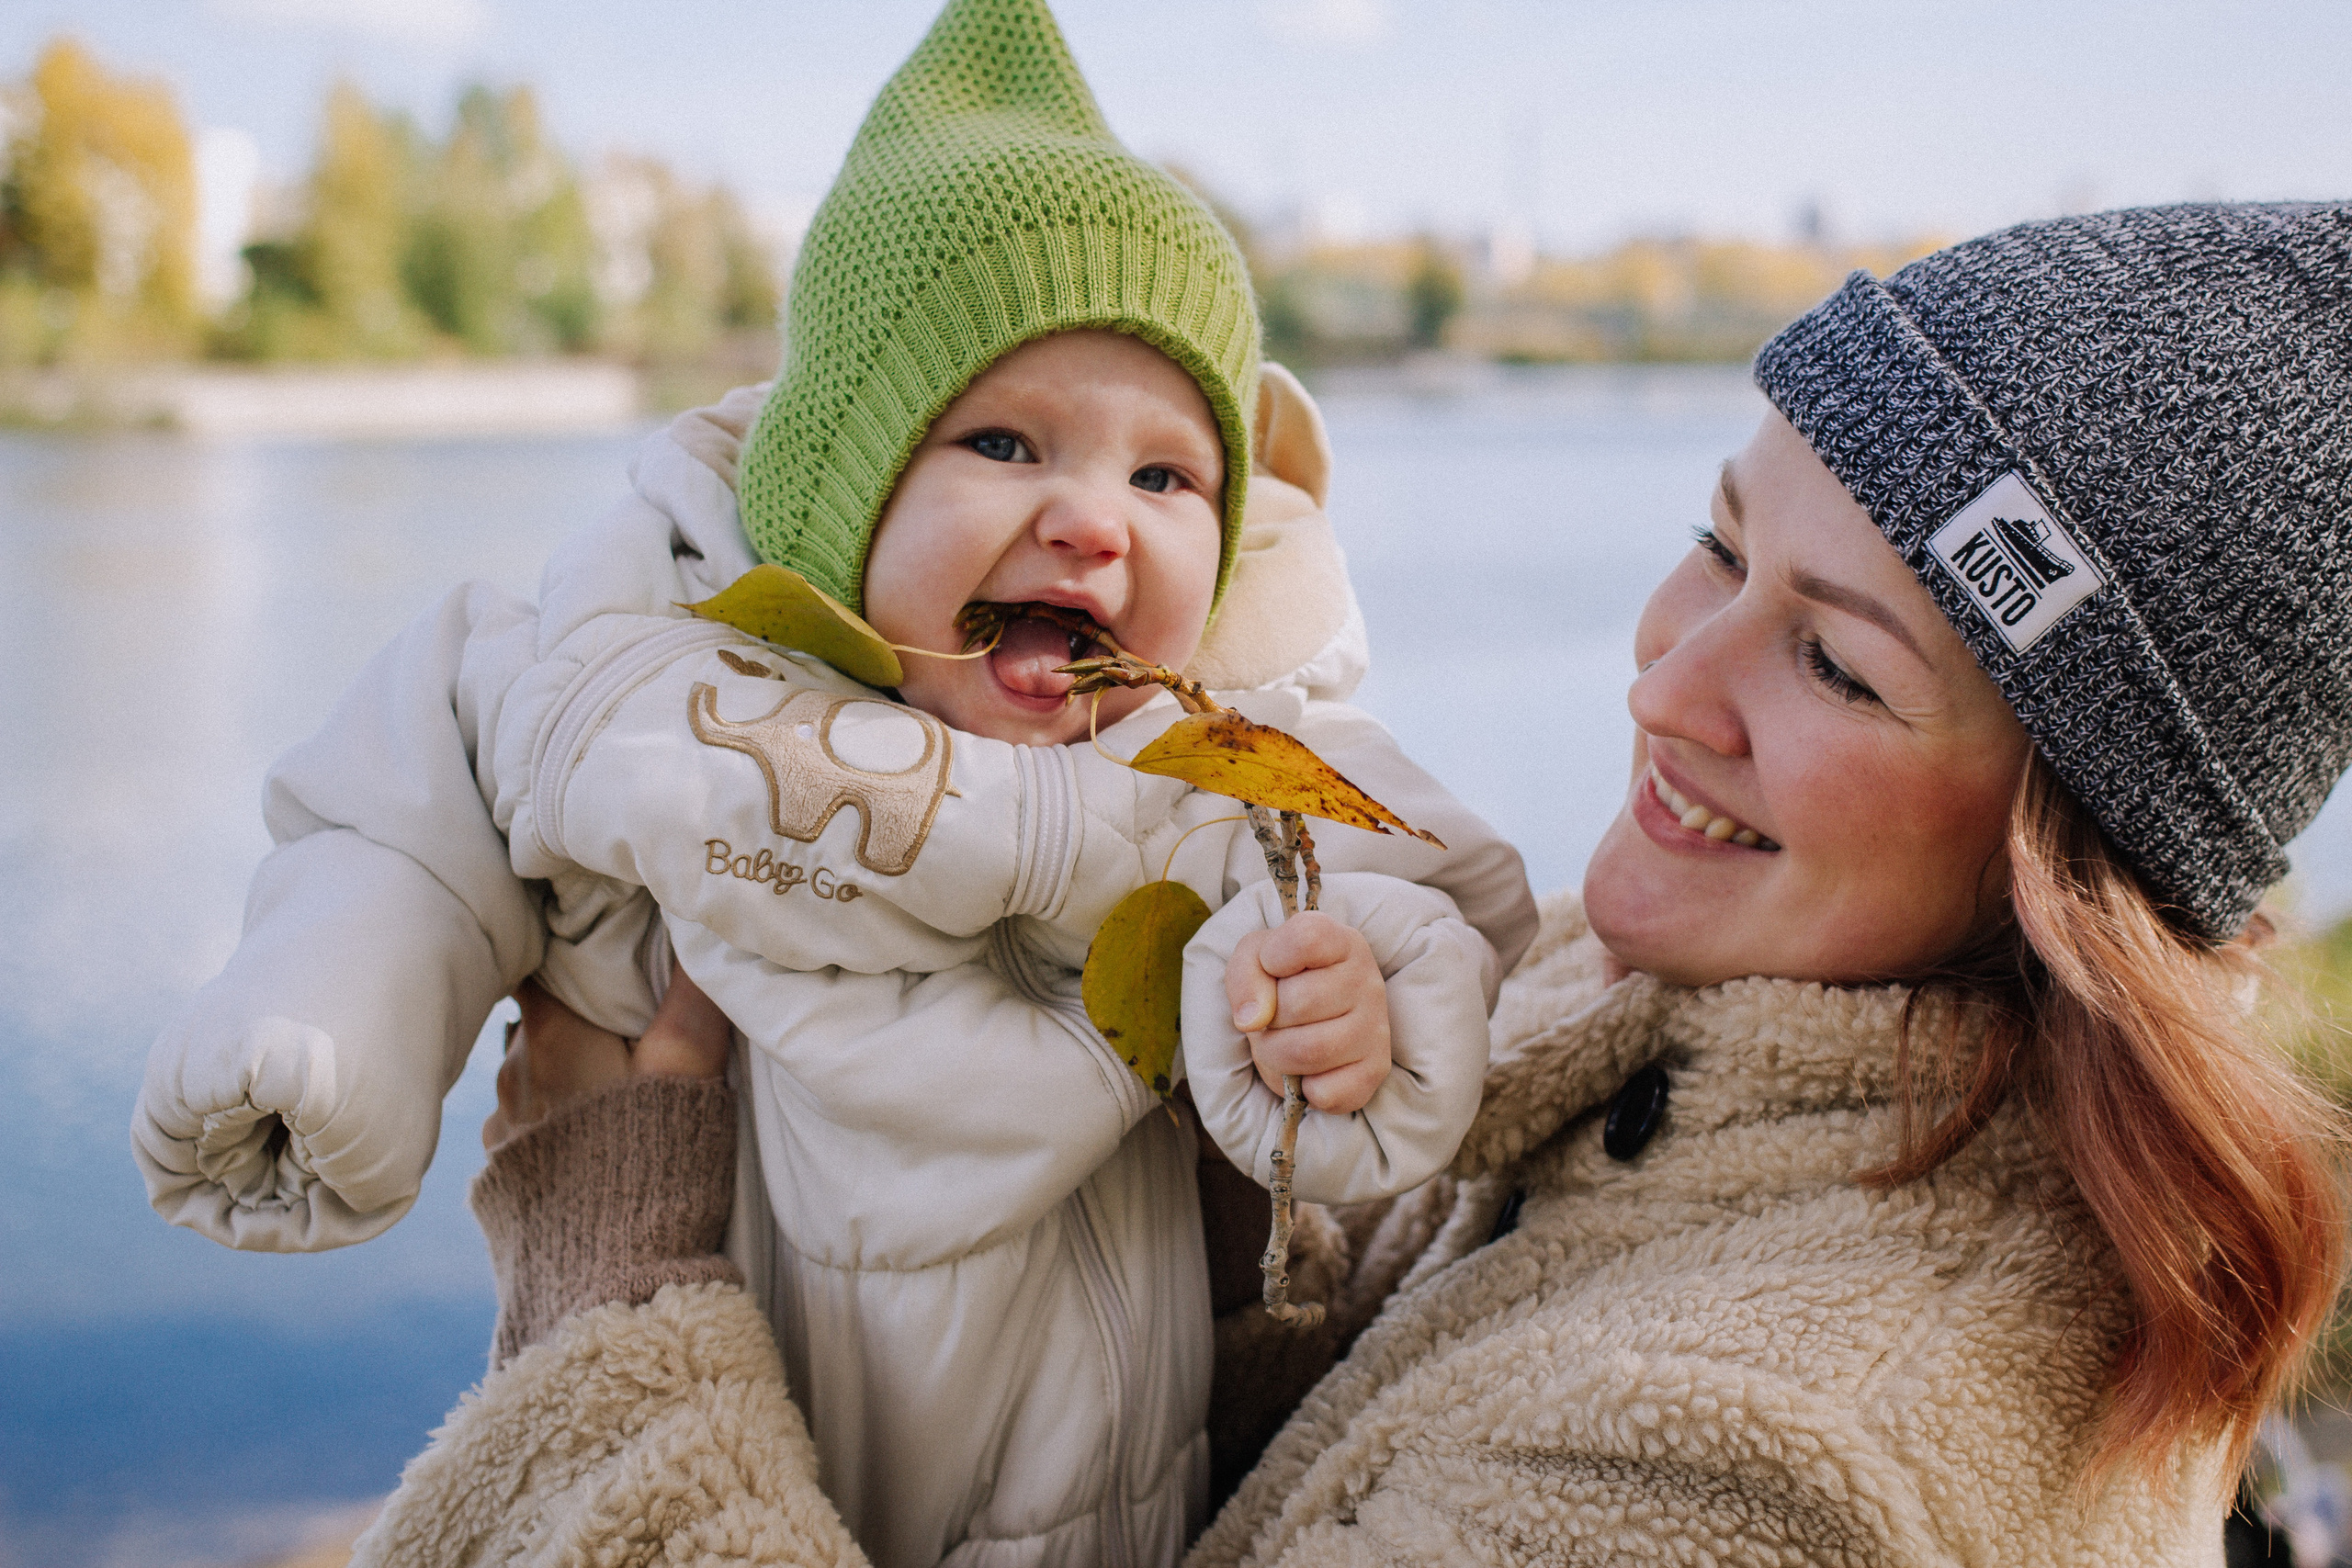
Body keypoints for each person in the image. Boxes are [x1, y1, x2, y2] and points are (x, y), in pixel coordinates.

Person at [346, 198, 2352, 1567]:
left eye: (1831, 661)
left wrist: (614, 1283)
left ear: (2073, 848)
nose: (1666, 674)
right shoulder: (1664, 1008)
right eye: (1711, 540)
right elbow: (1381, 1416)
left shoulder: (1785, 1459)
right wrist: (1193, 1189)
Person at [133, 3, 1535, 1564]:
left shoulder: (1221, 764)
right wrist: (329, 1031)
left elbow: (1440, 905)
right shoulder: (666, 698)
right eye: (1005, 443)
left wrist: (1344, 1010)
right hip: (734, 1450)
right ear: (844, 489)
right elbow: (402, 808)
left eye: (1165, 475)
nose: (1095, 521)